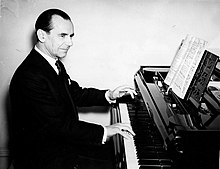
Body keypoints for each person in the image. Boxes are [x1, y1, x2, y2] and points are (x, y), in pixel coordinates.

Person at [9, 8, 136, 169]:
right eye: (62, 36)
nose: (70, 43)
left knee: (114, 155)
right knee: (113, 162)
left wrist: (109, 94)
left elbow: (74, 93)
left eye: (71, 36)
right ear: (42, 35)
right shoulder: (30, 76)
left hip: (60, 144)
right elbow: (57, 126)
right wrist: (105, 131)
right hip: (42, 158)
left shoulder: (52, 62)